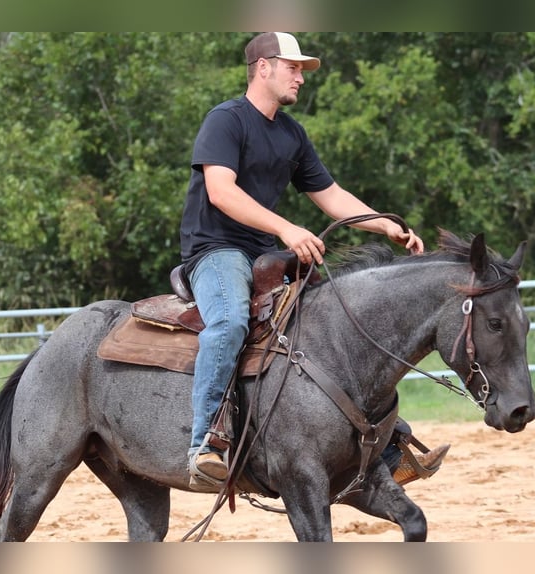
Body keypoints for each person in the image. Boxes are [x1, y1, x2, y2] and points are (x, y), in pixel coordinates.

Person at [179, 32, 448, 491]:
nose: (301, 77)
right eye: (293, 67)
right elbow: (221, 192)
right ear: (263, 67)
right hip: (216, 250)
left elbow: (331, 195)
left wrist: (382, 224)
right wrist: (286, 228)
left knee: (336, 326)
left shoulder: (291, 134)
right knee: (228, 323)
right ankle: (205, 443)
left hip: (266, 256)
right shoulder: (226, 121)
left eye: (302, 69)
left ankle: (381, 446)